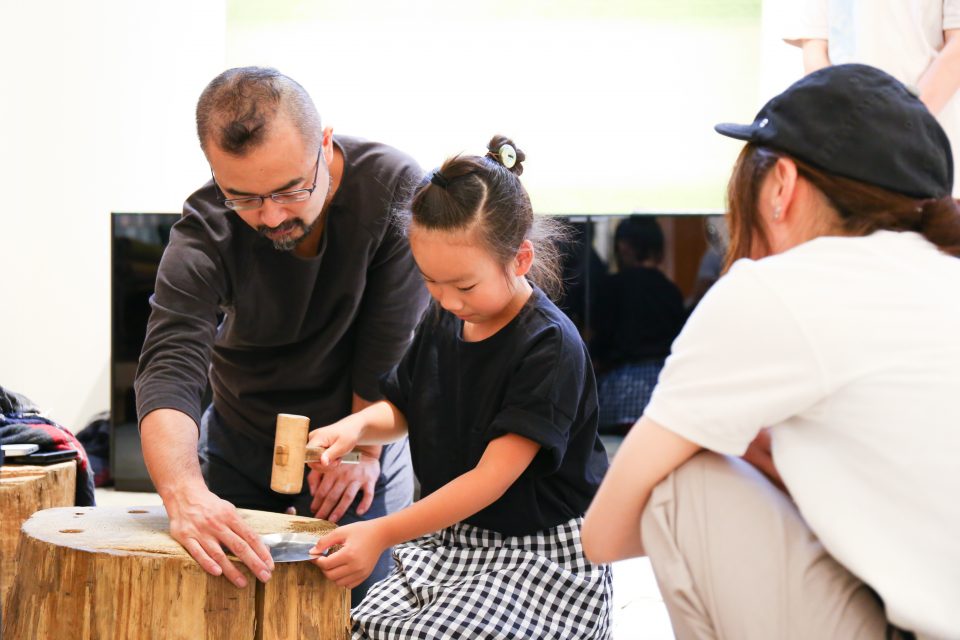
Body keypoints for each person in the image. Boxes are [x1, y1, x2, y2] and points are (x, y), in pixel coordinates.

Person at [582, 64, 960, 638]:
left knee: (680, 484)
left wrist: (761, 463)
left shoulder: (780, 288)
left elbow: (604, 533)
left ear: (780, 184)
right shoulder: (940, 272)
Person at [134, 67, 429, 604]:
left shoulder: (394, 187)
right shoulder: (205, 231)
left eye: (290, 189)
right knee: (225, 609)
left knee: (359, 613)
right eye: (243, 196)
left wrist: (363, 452)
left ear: (324, 142)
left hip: (360, 434)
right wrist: (184, 494)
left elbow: (388, 345)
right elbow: (169, 366)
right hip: (241, 435)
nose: (271, 216)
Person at [306, 136, 613, 639]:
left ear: (520, 259)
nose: (447, 301)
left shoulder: (550, 345)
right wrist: (356, 426)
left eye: (464, 286)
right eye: (431, 281)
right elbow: (405, 405)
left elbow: (491, 478)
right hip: (453, 539)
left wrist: (381, 533)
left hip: (538, 554)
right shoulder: (445, 316)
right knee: (367, 630)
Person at [783, 0, 960, 193]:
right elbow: (815, 45)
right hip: (844, 146)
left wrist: (903, 125)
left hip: (922, 146)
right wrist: (841, 125)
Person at [590, 216, 685, 433]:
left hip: (619, 390)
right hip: (663, 389)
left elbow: (603, 338)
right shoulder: (671, 290)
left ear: (624, 247)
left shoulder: (612, 287)